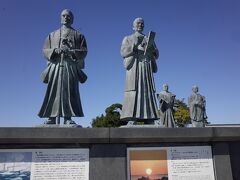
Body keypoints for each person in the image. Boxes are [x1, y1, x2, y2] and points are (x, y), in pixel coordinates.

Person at [38, 9, 88, 125]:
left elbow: (84, 51)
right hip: (55, 66)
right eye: (64, 15)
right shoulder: (52, 35)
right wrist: (55, 50)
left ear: (72, 19)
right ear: (60, 18)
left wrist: (71, 51)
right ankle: (51, 117)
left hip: (70, 65)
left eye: (68, 16)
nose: (66, 17)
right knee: (53, 91)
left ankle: (68, 117)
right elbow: (45, 50)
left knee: (69, 91)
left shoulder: (79, 35)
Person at [120, 17, 159, 124]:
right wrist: (135, 46)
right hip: (135, 66)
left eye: (142, 23)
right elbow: (123, 52)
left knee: (147, 91)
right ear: (133, 26)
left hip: (146, 66)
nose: (140, 25)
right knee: (134, 90)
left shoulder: (148, 38)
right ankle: (132, 117)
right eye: (138, 23)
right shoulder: (128, 38)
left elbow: (156, 54)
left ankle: (149, 117)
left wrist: (152, 50)